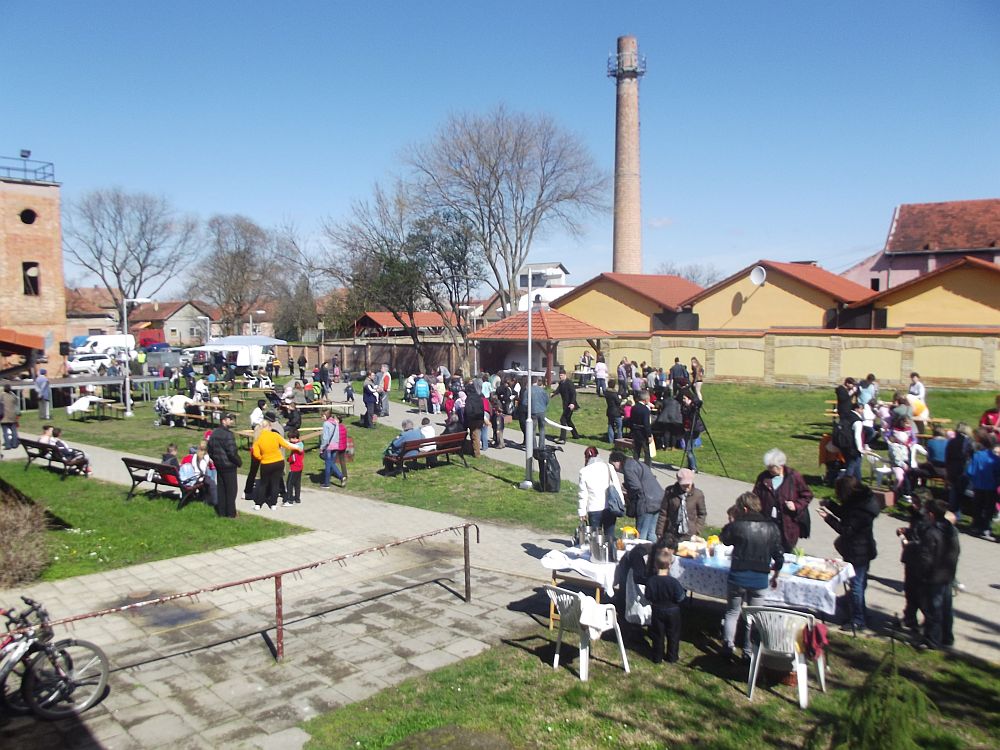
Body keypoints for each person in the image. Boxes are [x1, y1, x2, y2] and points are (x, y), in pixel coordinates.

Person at [719, 491, 784, 660]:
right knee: (754, 617)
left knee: (732, 612)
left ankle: (728, 646)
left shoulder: (737, 526)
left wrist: (731, 524)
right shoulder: (771, 527)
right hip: (759, 578)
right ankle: (748, 652)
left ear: (745, 509)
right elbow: (779, 556)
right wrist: (775, 573)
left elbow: (724, 539)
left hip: (738, 575)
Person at [817, 476, 879, 633]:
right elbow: (846, 514)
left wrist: (828, 518)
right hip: (861, 549)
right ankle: (860, 612)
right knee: (860, 583)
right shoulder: (860, 501)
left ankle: (858, 620)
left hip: (857, 552)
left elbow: (846, 529)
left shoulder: (861, 510)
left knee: (856, 585)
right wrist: (830, 505)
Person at [916, 498, 960, 650]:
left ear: (931, 515)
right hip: (948, 574)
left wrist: (923, 574)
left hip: (934, 576)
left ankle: (932, 640)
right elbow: (956, 551)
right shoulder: (951, 529)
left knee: (933, 609)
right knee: (947, 608)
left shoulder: (932, 533)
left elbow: (926, 558)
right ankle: (947, 637)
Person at [753, 448, 813, 553]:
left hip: (788, 524)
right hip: (768, 522)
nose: (769, 469)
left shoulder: (793, 476)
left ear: (780, 466)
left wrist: (796, 505)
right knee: (766, 549)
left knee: (785, 551)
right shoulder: (763, 477)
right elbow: (755, 496)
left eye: (771, 467)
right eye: (768, 466)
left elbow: (807, 495)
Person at [644, 544, 687, 664]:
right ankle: (672, 657)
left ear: (655, 565)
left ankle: (657, 657)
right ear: (670, 565)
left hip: (657, 610)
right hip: (673, 610)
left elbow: (648, 596)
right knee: (673, 634)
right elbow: (681, 597)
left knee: (658, 634)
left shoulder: (651, 581)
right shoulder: (673, 582)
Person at [608, 449, 663, 541]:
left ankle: (641, 549)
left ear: (617, 462)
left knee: (641, 534)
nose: (615, 469)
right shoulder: (635, 463)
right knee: (651, 533)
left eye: (613, 466)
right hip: (658, 500)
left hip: (646, 503)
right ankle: (653, 548)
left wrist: (629, 495)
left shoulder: (628, 468)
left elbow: (636, 487)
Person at [250, 420, 302, 510]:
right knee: (275, 483)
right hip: (278, 462)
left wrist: (261, 458)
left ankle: (258, 504)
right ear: (269, 427)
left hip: (266, 463)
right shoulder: (275, 435)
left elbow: (256, 453)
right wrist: (297, 447)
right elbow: (286, 444)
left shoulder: (258, 438)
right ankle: (273, 504)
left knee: (263, 484)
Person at [577, 446, 624, 540]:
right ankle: (610, 549)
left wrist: (582, 512)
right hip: (610, 506)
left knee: (595, 539)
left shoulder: (583, 471)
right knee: (610, 536)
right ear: (598, 455)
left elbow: (583, 494)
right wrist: (621, 503)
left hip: (594, 509)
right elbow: (616, 486)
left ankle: (597, 549)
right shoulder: (608, 467)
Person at [965, 427, 1000, 540]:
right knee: (989, 508)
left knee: (978, 507)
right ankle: (986, 528)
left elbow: (970, 471)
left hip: (978, 485)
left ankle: (976, 526)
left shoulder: (977, 456)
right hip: (991, 486)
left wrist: (974, 480)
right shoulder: (995, 459)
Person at [656, 468, 707, 541]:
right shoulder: (670, 492)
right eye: (683, 485)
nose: (686, 487)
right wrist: (659, 532)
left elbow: (702, 514)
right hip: (672, 532)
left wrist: (697, 529)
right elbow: (663, 513)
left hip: (690, 533)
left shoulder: (698, 495)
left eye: (688, 485)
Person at [944, 423, 974, 517]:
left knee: (954, 491)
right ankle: (960, 512)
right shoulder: (969, 442)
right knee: (962, 491)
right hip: (964, 469)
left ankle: (954, 513)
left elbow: (947, 457)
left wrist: (948, 469)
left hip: (953, 468)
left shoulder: (952, 441)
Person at [319, 411, 348, 489]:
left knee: (328, 464)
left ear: (326, 416)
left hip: (328, 446)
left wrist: (322, 447)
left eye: (322, 416)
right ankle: (328, 482)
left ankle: (339, 477)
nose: (321, 418)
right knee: (330, 463)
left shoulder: (326, 424)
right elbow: (337, 435)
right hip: (335, 445)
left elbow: (325, 438)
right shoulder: (335, 422)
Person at [553, 371, 580, 443]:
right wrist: (553, 394)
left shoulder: (569, 383)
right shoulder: (561, 383)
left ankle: (562, 438)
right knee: (568, 420)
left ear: (565, 375)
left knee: (563, 420)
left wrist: (572, 403)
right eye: (559, 375)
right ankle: (576, 435)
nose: (560, 377)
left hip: (570, 405)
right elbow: (558, 390)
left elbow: (573, 394)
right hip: (565, 405)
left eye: (561, 375)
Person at [630, 390, 652, 466]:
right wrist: (649, 435)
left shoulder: (634, 407)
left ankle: (635, 464)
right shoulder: (645, 409)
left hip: (635, 430)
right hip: (643, 432)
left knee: (637, 450)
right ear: (645, 399)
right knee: (646, 451)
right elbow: (646, 424)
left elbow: (631, 419)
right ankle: (647, 466)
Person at [463, 383, 486, 457]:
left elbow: (468, 410)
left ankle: (477, 453)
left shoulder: (469, 399)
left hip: (473, 419)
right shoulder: (479, 397)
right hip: (480, 418)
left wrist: (467, 419)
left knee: (475, 436)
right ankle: (473, 450)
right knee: (476, 435)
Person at [284, 430, 305, 505]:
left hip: (294, 468)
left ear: (295, 438)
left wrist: (288, 459)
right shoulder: (300, 444)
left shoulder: (297, 447)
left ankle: (290, 500)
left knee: (289, 483)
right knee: (297, 483)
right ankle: (297, 498)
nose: (289, 440)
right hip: (299, 467)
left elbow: (293, 458)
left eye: (290, 438)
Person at [529, 377, 549, 449]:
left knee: (533, 430)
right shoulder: (542, 390)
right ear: (537, 381)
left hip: (533, 411)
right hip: (542, 411)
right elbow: (547, 400)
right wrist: (544, 406)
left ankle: (534, 446)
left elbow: (524, 402)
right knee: (542, 429)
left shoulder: (528, 390)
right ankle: (541, 446)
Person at [1, 385, 20, 451]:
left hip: (3, 416)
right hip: (12, 416)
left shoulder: (2, 395)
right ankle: (14, 444)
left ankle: (8, 445)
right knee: (14, 431)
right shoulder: (13, 396)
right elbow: (17, 401)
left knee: (5, 432)